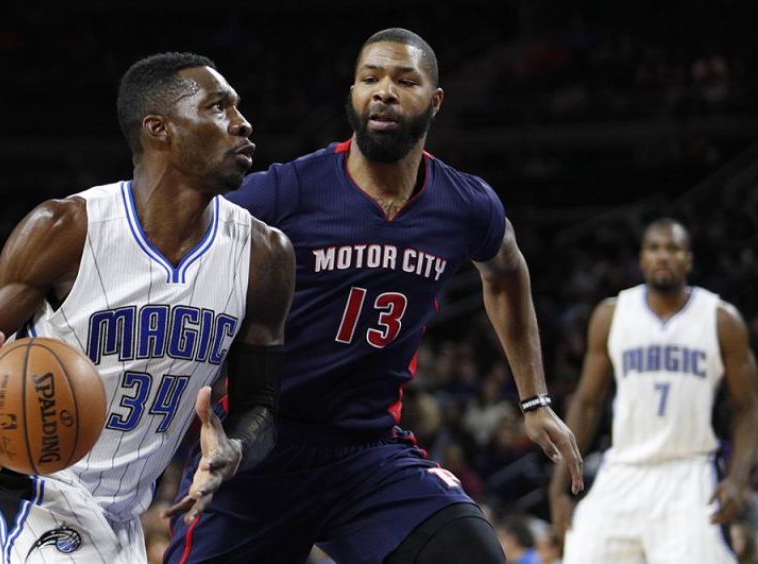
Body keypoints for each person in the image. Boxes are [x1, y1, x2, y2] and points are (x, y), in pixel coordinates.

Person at [165, 28, 583, 563]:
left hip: (368, 453)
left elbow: (505, 270)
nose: (384, 91)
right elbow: (172, 245)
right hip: (257, 446)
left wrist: (535, 400)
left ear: (435, 101)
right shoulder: (288, 191)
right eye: (370, 78)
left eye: (405, 81)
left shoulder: (465, 204)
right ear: (354, 94)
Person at [0, 52, 295, 562]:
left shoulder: (264, 255)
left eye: (238, 108)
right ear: (159, 129)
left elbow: (261, 403)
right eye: (217, 107)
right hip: (23, 485)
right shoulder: (67, 228)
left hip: (120, 515)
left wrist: (236, 448)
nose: (242, 123)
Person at [549, 218, 758, 563]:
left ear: (689, 260)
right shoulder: (612, 315)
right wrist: (558, 487)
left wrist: (737, 479)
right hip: (624, 469)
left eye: (673, 248)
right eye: (654, 248)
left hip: (689, 471)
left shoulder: (722, 319)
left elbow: (748, 407)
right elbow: (586, 403)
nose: (663, 256)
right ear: (642, 258)